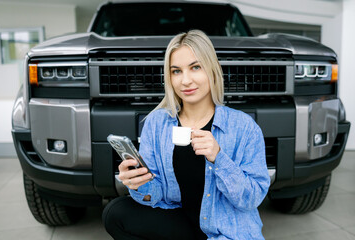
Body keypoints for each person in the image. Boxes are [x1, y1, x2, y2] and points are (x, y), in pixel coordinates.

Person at [102, 30, 270, 240]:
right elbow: (157, 193)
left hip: (225, 230)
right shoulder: (157, 123)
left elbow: (252, 198)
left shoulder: (243, 127)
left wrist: (219, 158)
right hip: (181, 223)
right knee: (115, 212)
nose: (186, 80)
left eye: (195, 67)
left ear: (212, 69)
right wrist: (137, 182)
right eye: (176, 71)